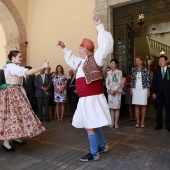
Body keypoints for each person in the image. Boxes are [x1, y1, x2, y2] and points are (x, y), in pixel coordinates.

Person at [57, 14, 113, 162]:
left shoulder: (96, 58)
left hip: (92, 98)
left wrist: (99, 26)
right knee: (94, 124)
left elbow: (105, 47)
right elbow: (71, 58)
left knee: (90, 125)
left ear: (87, 49)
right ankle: (103, 146)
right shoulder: (80, 62)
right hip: (86, 98)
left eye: (80, 47)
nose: (79, 49)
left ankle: (94, 154)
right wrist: (64, 48)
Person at [0, 50, 47, 152]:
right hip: (13, 93)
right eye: (19, 57)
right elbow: (28, 72)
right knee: (11, 117)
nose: (21, 58)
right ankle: (6, 142)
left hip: (15, 92)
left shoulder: (11, 66)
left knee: (17, 116)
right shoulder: (12, 67)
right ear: (13, 58)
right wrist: (42, 67)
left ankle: (15, 137)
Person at [131, 56, 150, 128]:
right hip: (135, 89)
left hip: (143, 89)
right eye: (136, 61)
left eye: (138, 60)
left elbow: (148, 80)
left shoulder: (145, 69)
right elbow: (132, 79)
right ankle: (137, 121)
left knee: (143, 105)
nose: (137, 62)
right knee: (136, 105)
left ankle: (142, 121)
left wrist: (148, 90)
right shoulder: (133, 69)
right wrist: (131, 89)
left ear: (142, 61)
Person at [152, 55, 170, 131]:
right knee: (158, 109)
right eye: (159, 61)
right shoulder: (156, 72)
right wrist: (153, 92)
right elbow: (154, 83)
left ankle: (168, 125)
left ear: (166, 61)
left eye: (162, 60)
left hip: (168, 93)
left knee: (168, 110)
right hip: (158, 94)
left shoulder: (169, 71)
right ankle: (159, 125)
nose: (160, 62)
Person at [106, 59, 122, 128]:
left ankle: (116, 123)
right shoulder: (108, 72)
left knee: (117, 108)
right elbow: (107, 82)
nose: (111, 65)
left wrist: (114, 90)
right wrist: (109, 89)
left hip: (117, 92)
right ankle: (112, 122)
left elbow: (119, 82)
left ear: (116, 64)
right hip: (110, 92)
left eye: (113, 63)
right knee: (111, 108)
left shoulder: (119, 72)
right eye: (111, 63)